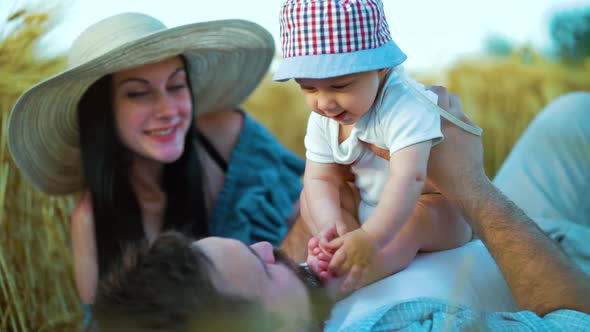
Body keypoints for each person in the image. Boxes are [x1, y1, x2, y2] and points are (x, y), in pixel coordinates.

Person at [90, 90, 590, 331]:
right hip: (551, 263)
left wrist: (347, 215)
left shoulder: (307, 295)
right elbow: (574, 320)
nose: (268, 246)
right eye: (264, 272)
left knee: (569, 118)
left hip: (512, 234)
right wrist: (471, 187)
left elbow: (311, 225)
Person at [6, 12, 308, 313]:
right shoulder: (91, 219)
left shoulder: (229, 139)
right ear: (102, 113)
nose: (168, 109)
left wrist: (284, 280)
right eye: (138, 93)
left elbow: (315, 209)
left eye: (176, 85)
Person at [273, 0, 474, 289]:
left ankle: (361, 273)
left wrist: (371, 238)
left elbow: (410, 178)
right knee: (312, 196)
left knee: (415, 219)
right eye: (309, 88)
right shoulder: (324, 116)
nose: (324, 102)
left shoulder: (405, 105)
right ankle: (338, 248)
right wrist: (330, 224)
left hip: (434, 210)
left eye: (340, 86)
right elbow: (320, 177)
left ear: (380, 68)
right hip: (371, 205)